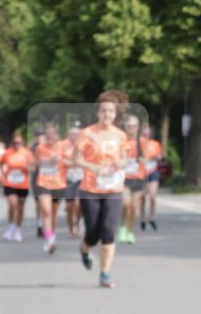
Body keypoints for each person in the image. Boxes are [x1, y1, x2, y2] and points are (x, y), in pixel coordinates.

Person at [74, 91, 128, 289]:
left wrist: (119, 163)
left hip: (113, 188)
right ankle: (84, 249)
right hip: (90, 188)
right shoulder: (87, 134)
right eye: (104, 110)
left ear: (115, 114)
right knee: (93, 233)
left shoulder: (120, 135)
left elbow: (124, 158)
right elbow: (76, 159)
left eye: (110, 111)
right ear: (98, 112)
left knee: (108, 232)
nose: (107, 114)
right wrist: (96, 168)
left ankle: (104, 274)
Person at [33, 122, 68, 253]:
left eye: (52, 133)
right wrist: (41, 163)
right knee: (46, 211)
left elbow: (71, 162)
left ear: (57, 134)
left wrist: (60, 160)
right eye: (47, 133)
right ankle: (49, 241)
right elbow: (34, 163)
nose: (50, 136)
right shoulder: (40, 147)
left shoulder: (63, 146)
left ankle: (51, 237)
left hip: (58, 184)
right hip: (43, 183)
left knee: (53, 215)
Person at [0, 131, 35, 242]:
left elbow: (33, 167)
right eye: (14, 142)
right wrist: (2, 173)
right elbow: (0, 163)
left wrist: (28, 168)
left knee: (20, 209)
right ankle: (10, 227)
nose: (16, 145)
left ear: (22, 143)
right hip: (9, 183)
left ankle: (18, 230)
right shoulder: (7, 153)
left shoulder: (27, 153)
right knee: (12, 205)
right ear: (12, 143)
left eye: (19, 143)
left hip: (23, 184)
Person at [119, 115, 147, 243]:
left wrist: (143, 160)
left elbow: (148, 160)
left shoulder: (143, 142)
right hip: (124, 178)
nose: (131, 128)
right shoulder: (120, 141)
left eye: (134, 126)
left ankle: (130, 232)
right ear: (125, 127)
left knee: (134, 208)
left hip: (138, 178)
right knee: (125, 203)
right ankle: (122, 227)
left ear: (138, 127)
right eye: (129, 126)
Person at [138, 123, 162, 231]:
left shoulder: (155, 144)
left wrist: (157, 157)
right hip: (142, 173)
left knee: (152, 196)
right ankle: (142, 218)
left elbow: (160, 156)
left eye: (148, 133)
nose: (146, 135)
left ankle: (152, 217)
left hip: (153, 172)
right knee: (143, 197)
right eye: (144, 133)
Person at [62, 122, 83, 237]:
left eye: (77, 134)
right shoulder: (63, 145)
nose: (75, 136)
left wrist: (75, 163)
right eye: (72, 134)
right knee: (70, 207)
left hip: (81, 178)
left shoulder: (83, 144)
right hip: (68, 178)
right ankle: (70, 229)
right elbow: (61, 160)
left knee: (78, 204)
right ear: (68, 135)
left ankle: (78, 224)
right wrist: (72, 163)